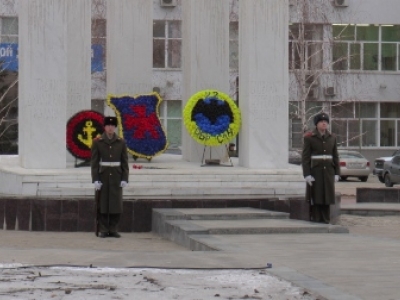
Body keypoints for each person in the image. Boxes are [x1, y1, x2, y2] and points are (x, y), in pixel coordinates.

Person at [91, 116, 129, 238]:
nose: (110, 128)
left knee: (115, 204)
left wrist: (124, 178)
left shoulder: (121, 142)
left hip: (116, 176)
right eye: (108, 125)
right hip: (103, 175)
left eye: (113, 126)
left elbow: (124, 162)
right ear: (105, 127)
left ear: (115, 127)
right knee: (102, 204)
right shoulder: (98, 142)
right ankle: (103, 229)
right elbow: (94, 162)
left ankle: (113, 229)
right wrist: (95, 179)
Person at [301, 113, 340, 224]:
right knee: (316, 196)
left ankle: (326, 219)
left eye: (326, 122)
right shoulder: (309, 137)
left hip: (328, 171)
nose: (324, 123)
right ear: (316, 124)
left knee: (327, 196)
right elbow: (306, 158)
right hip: (316, 172)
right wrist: (307, 174)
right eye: (321, 122)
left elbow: (335, 156)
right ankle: (316, 219)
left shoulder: (332, 137)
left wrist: (337, 173)